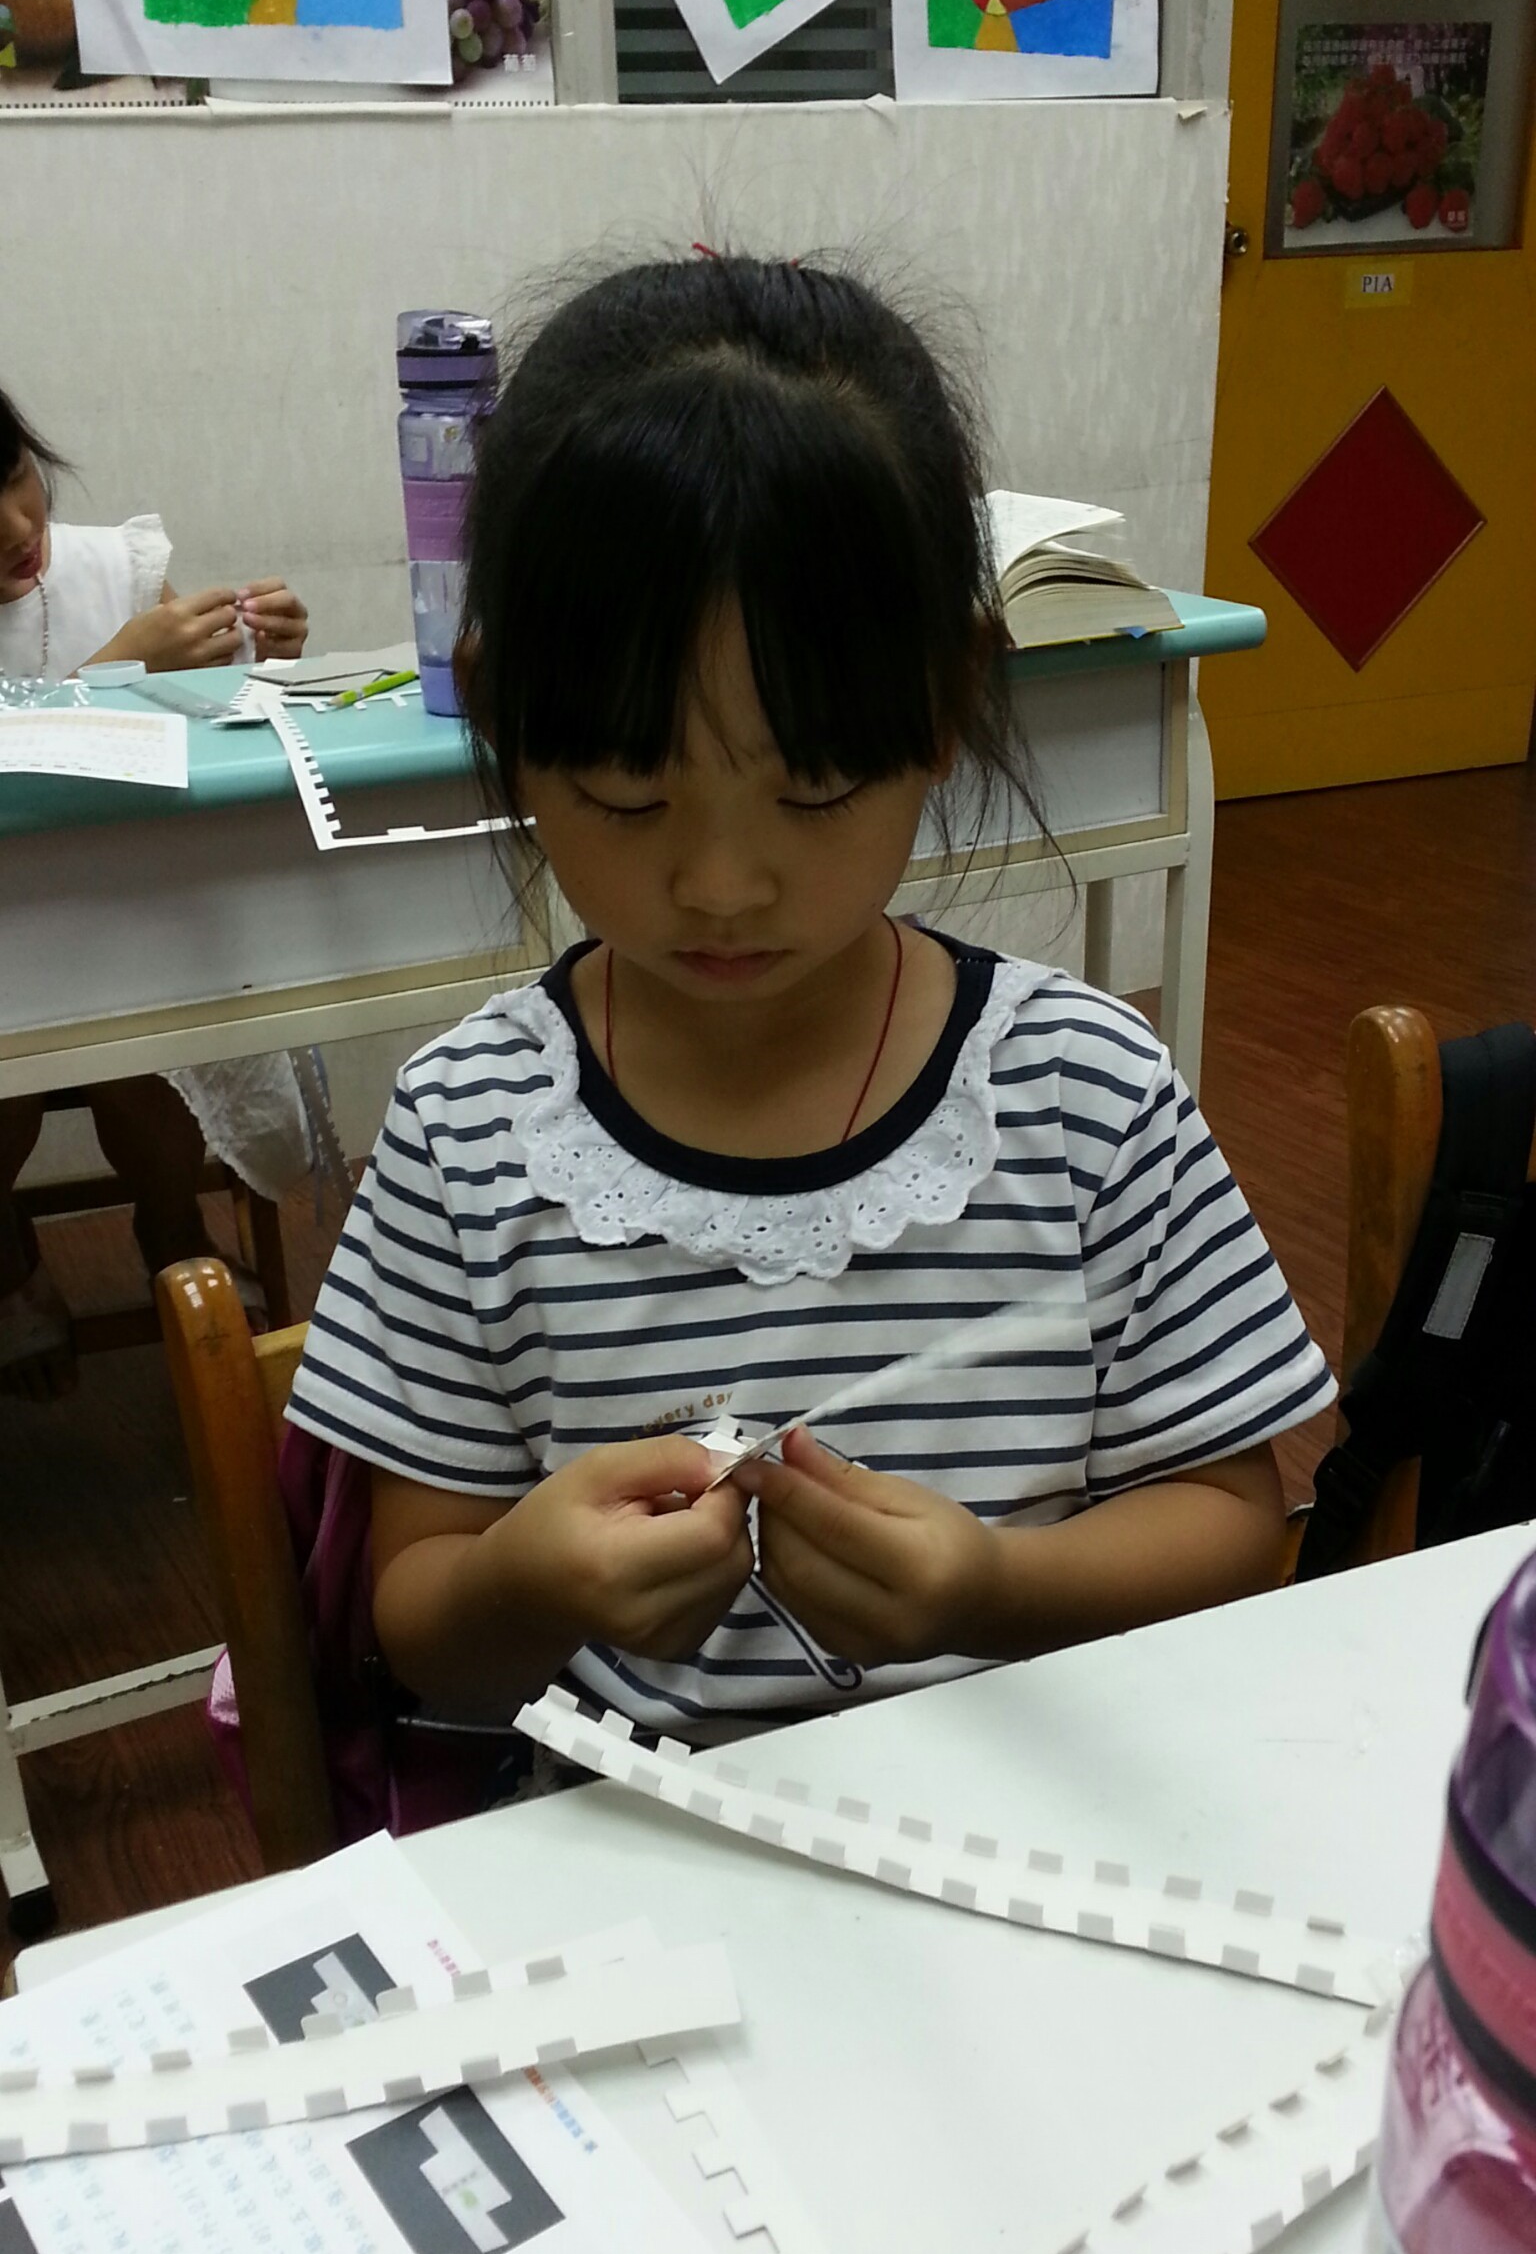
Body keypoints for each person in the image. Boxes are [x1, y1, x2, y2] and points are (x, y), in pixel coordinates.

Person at [287, 252, 1333, 1772]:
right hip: (640, 1856)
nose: (721, 885)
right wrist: (525, 1584)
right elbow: (424, 1625)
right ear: (502, 716)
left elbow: (1237, 1524)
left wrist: (998, 1588)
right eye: (628, 795)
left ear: (948, 702)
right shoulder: (469, 1133)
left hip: (1030, 1827)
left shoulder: (1086, 1096)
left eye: (817, 787)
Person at [0, 386, 314, 1397]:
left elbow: (199, 734)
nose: (16, 527)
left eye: (17, 478)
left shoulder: (115, 571)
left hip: (128, 922)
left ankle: (171, 1225)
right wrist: (114, 666)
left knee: (151, 1043)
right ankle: (6, 1251)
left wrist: (258, 657)